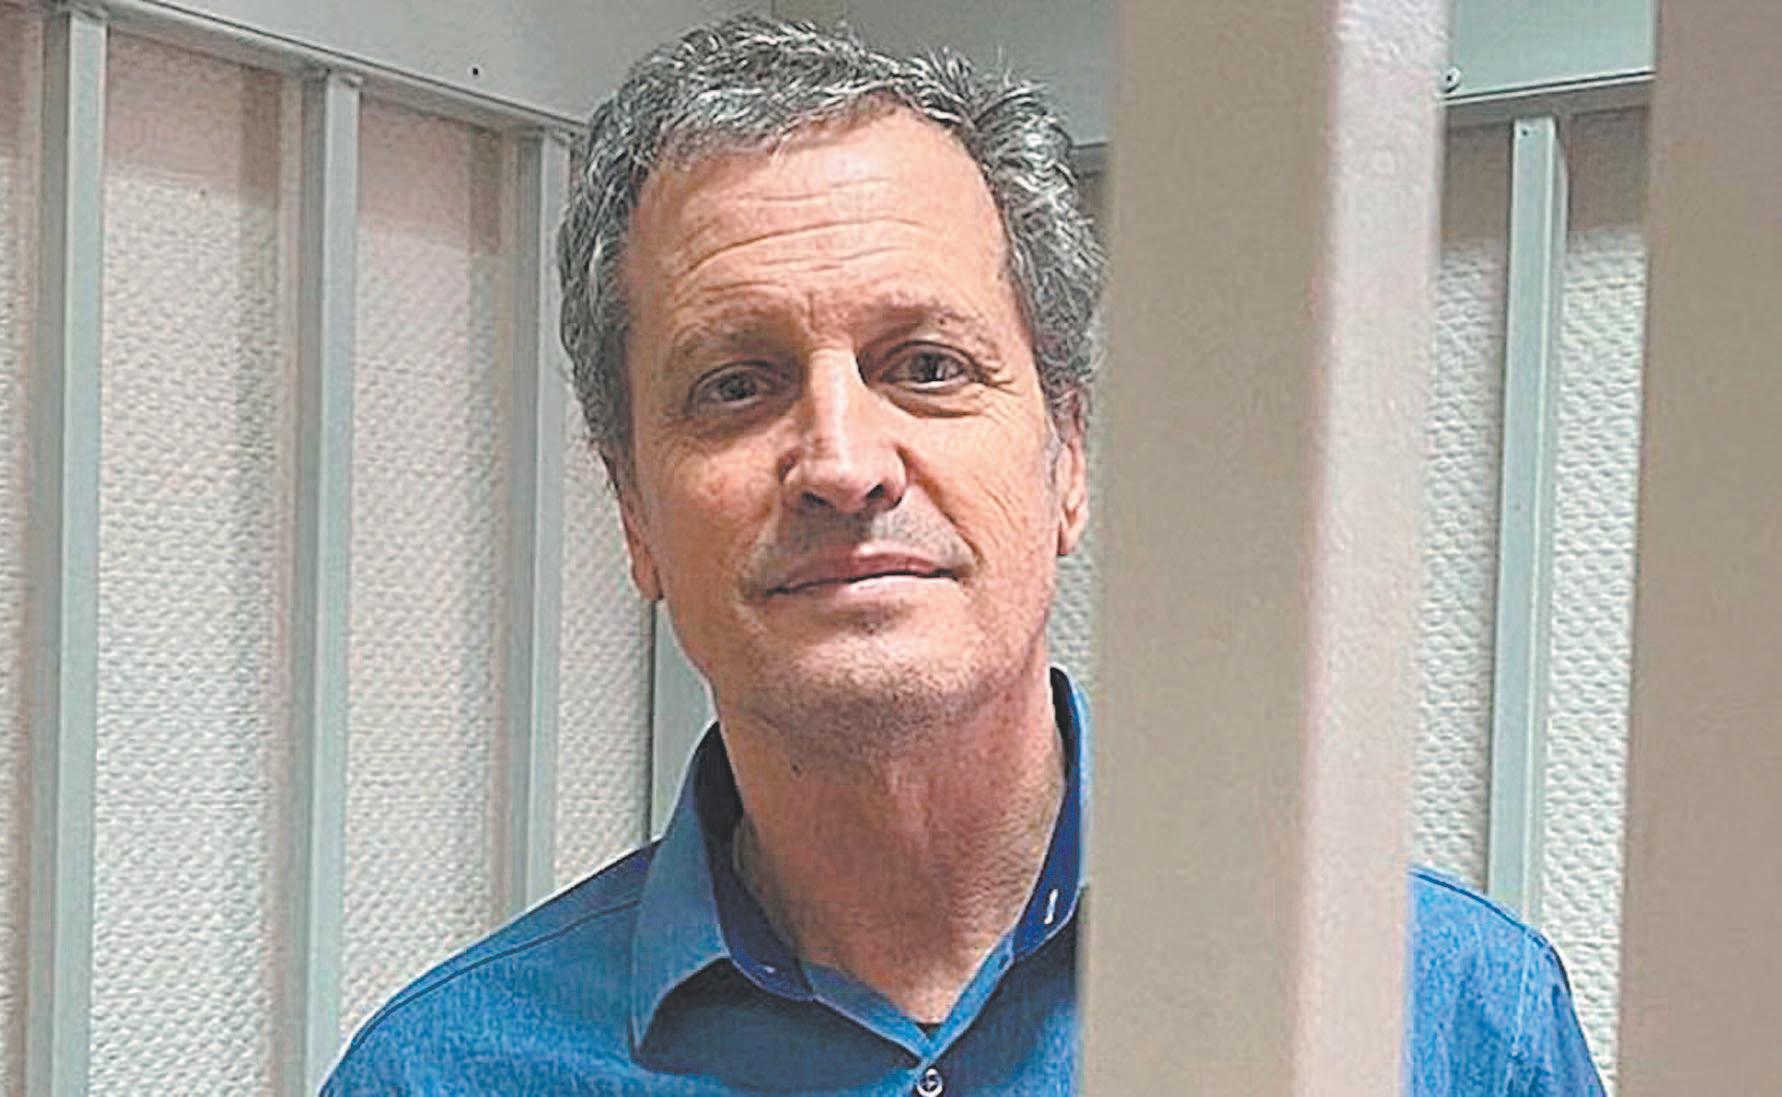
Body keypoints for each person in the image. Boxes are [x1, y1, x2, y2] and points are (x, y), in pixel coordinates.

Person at [324, 15, 1604, 1095]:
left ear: (1069, 455)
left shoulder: (1446, 1018)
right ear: (633, 513)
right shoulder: (445, 1072)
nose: (842, 461)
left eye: (927, 364)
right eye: (736, 383)